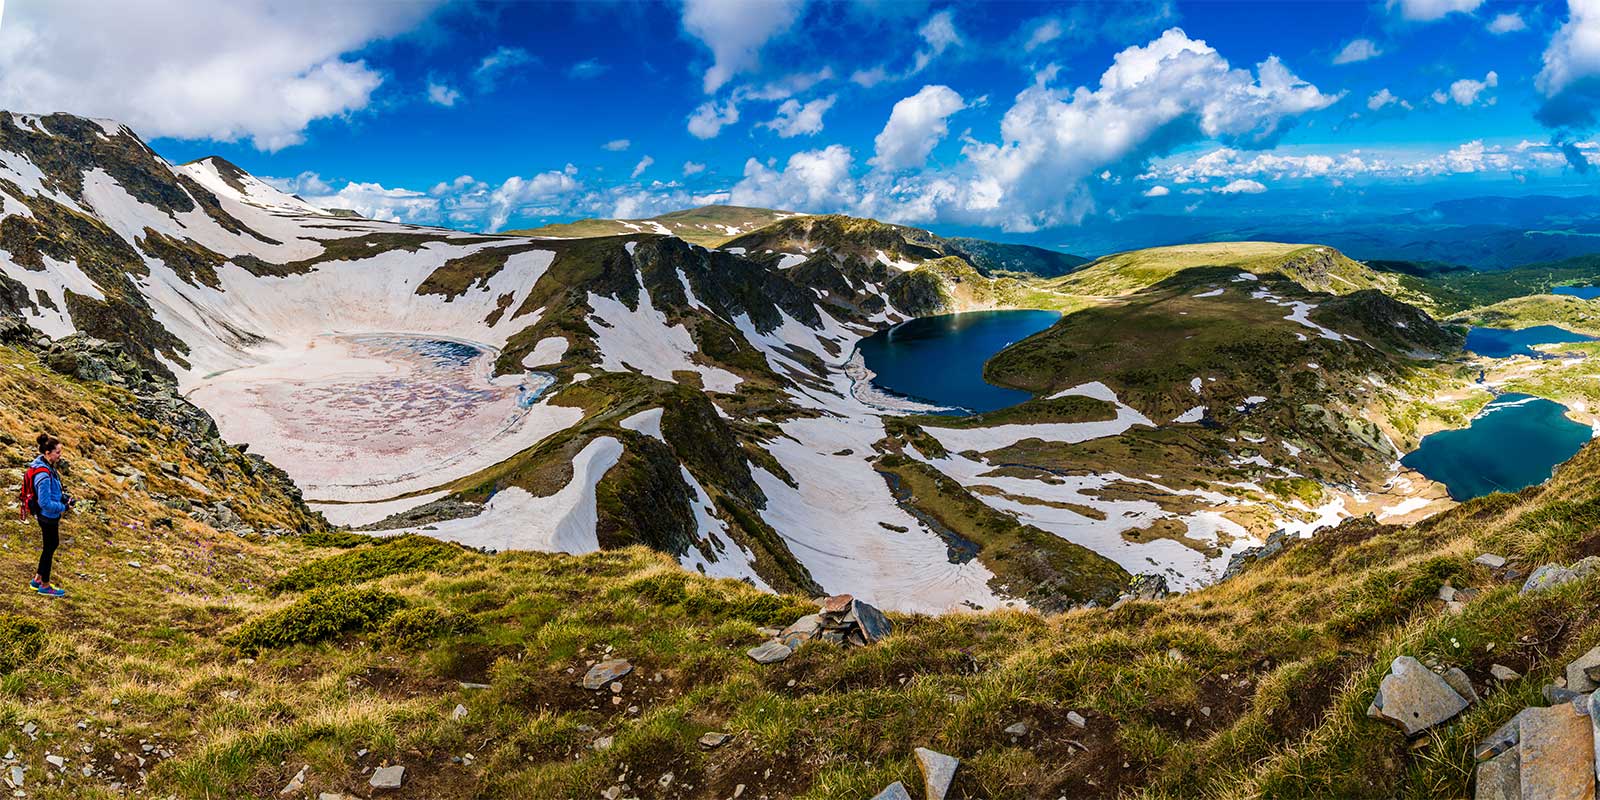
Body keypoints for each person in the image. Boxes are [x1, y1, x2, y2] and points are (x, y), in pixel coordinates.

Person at [24, 434, 71, 597]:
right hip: (47, 516)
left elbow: (50, 493)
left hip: (48, 515)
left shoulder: (46, 465)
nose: (60, 455)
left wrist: (62, 497)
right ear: (48, 452)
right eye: (57, 452)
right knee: (50, 547)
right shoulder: (43, 474)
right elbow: (45, 502)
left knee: (50, 546)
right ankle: (45, 585)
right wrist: (63, 507)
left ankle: (37, 579)